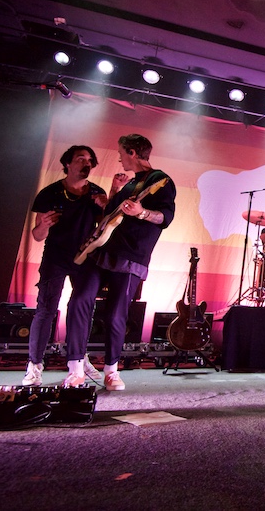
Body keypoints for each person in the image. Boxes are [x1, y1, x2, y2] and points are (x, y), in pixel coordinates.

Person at [64, 134, 176, 390]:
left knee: (117, 313)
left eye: (122, 152)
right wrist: (113, 192)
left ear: (133, 153)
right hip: (101, 250)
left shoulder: (161, 181)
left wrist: (143, 212)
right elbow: (108, 216)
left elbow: (166, 217)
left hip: (130, 255)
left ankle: (112, 370)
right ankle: (75, 367)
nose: (119, 157)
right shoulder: (129, 184)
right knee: (80, 300)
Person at [22, 146, 107, 386]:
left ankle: (78, 360)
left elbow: (105, 230)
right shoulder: (50, 193)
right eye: (81, 158)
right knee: (46, 310)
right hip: (56, 258)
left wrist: (107, 207)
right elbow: (38, 235)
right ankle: (34, 365)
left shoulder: (97, 194)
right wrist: (44, 225)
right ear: (67, 163)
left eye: (90, 160)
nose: (86, 163)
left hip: (86, 259)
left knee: (82, 309)